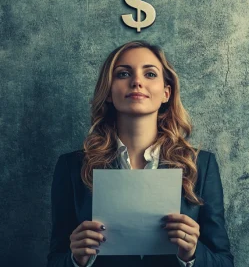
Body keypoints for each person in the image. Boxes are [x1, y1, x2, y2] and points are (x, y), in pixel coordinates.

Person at [47, 40, 234, 267]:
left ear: (166, 93)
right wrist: (76, 260)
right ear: (108, 92)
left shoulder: (200, 165)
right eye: (123, 74)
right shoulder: (72, 166)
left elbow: (223, 261)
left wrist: (192, 255)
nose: (137, 82)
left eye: (150, 74)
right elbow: (55, 259)